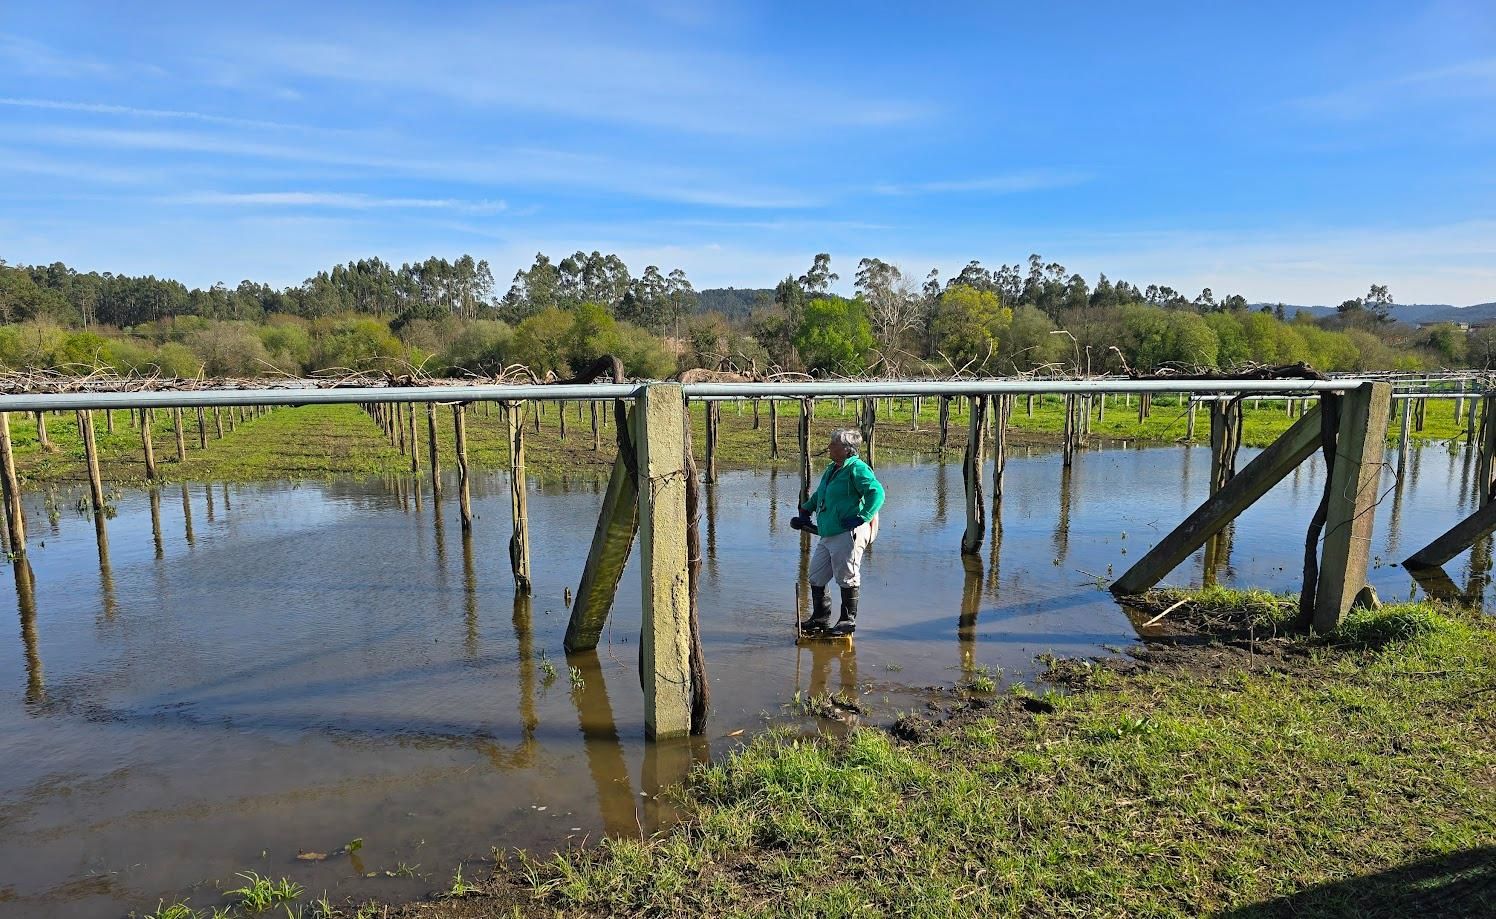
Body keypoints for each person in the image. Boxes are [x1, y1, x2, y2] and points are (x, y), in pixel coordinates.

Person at [791, 428, 884, 636]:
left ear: (846, 449)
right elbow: (820, 494)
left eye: (833, 444)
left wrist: (862, 516)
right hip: (829, 532)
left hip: (848, 532)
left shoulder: (857, 469)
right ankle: (820, 617)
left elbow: (877, 493)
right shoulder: (833, 468)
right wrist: (806, 509)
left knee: (847, 576)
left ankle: (847, 621)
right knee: (816, 575)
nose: (829, 447)